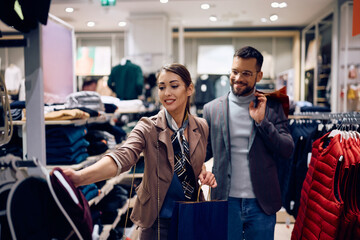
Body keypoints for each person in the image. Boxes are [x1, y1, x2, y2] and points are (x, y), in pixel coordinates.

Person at [63, 63, 217, 240]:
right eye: (161, 87)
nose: (167, 93)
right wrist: (80, 177)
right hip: (158, 221)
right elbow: (122, 156)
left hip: (192, 216)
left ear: (189, 89)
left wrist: (204, 173)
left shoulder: (201, 126)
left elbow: (195, 161)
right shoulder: (148, 126)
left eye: (174, 86)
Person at [203, 46, 294, 240]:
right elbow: (206, 150)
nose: (238, 78)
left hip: (261, 202)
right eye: (235, 72)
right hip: (225, 201)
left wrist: (263, 122)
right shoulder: (211, 109)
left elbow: (287, 149)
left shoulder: (273, 106)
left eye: (246, 73)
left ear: (258, 76)